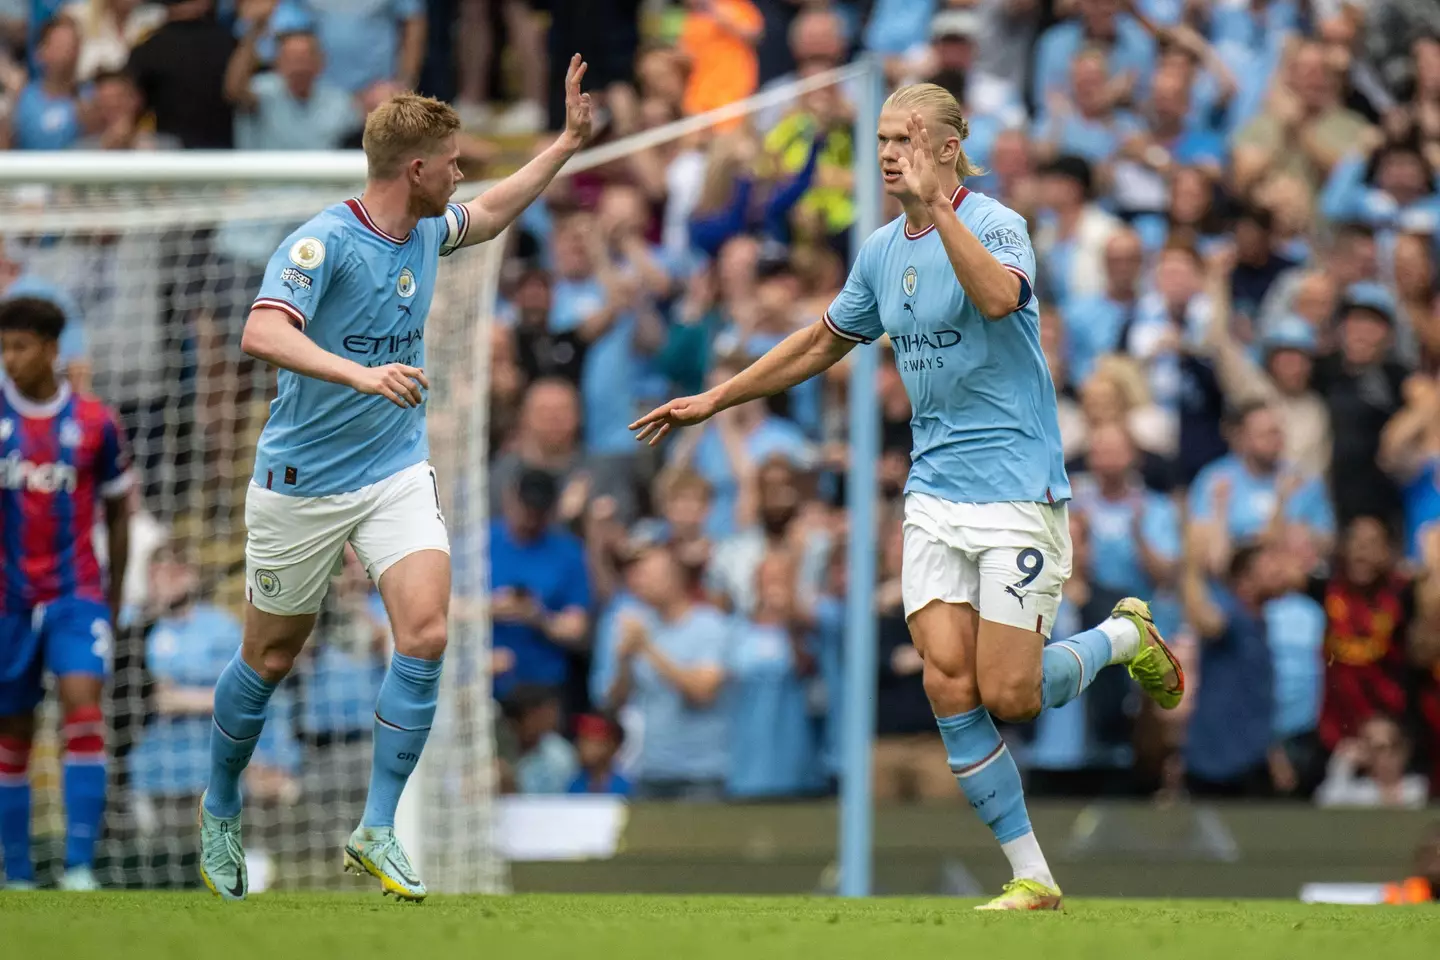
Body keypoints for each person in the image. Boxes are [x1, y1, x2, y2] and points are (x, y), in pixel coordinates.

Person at [630, 82, 1184, 911]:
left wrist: (941, 212)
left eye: (904, 138)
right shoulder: (881, 249)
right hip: (932, 494)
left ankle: (1121, 635)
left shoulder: (997, 224)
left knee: (1012, 695)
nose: (887, 152)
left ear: (948, 147)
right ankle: (1032, 874)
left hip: (1014, 491)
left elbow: (999, 299)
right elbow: (824, 338)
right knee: (945, 683)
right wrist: (718, 398)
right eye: (882, 138)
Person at [196, 57, 593, 902]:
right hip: (300, 482)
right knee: (267, 658)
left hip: (393, 472)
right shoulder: (322, 242)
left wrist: (562, 145)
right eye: (451, 161)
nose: (460, 174)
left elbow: (487, 213)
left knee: (424, 633)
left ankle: (376, 827)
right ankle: (221, 804)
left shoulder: (425, 229)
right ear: (415, 169)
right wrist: (358, 373)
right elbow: (262, 333)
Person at [0, 297, 133, 891]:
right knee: (13, 731)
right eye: (3, 348)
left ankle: (79, 868)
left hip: (78, 592)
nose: (9, 360)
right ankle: (18, 873)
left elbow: (119, 511)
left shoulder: (96, 423)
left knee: (83, 706)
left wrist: (117, 594)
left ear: (53, 350)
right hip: (8, 598)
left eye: (20, 347)